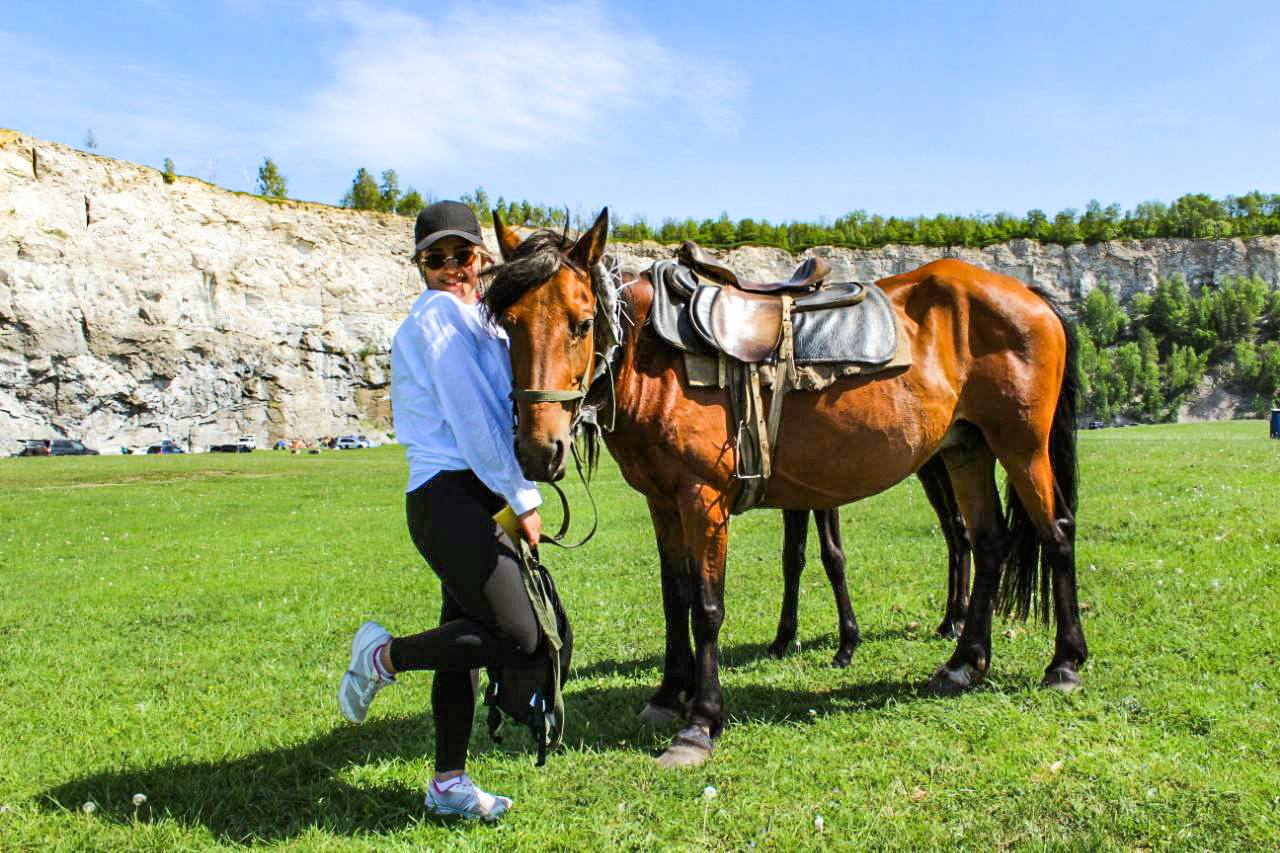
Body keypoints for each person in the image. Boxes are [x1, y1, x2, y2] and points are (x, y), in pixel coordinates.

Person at [338, 200, 543, 822]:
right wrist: (522, 496)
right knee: (517, 635)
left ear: (481, 258)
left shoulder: (480, 319)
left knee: (464, 638)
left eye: (463, 254)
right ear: (420, 266)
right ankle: (383, 656)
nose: (452, 267)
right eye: (436, 258)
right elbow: (474, 423)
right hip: (448, 495)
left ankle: (447, 782)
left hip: (472, 495)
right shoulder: (435, 319)